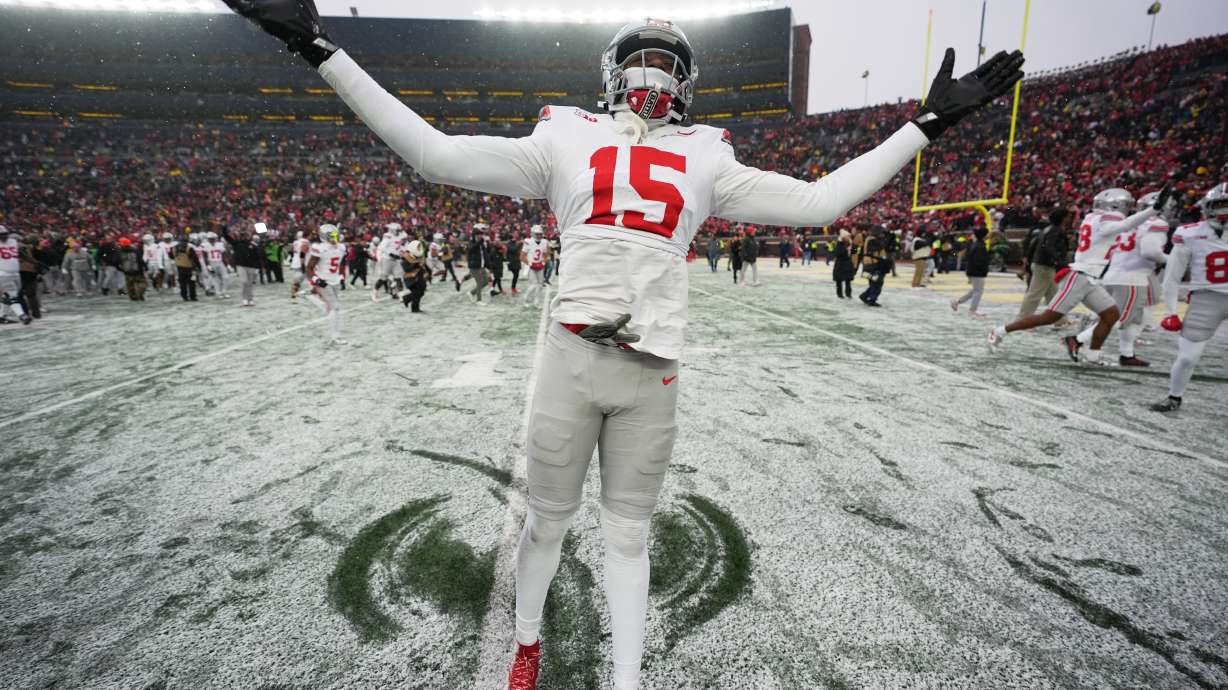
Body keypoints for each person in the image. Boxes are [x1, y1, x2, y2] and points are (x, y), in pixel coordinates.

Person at [225, 4, 1024, 687]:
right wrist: (319, 47)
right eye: (642, 61)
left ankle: (630, 679)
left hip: (653, 366)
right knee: (544, 521)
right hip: (571, 359)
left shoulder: (708, 153)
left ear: (689, 83)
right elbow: (434, 154)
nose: (655, 76)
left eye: (668, 63)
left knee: (629, 533)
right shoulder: (561, 137)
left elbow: (820, 205)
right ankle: (529, 643)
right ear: (610, 72)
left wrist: (925, 125)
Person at [988, 187, 1169, 363]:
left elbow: (1124, 226)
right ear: (1115, 207)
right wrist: (1152, 211)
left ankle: (1092, 355)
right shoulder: (1106, 221)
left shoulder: (1091, 217)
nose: (1127, 210)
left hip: (1090, 278)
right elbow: (1125, 224)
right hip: (1080, 277)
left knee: (1111, 315)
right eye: (1125, 206)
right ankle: (999, 331)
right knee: (1049, 317)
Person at [1066, 190, 1173, 366]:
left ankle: (1126, 353)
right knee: (1118, 319)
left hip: (1112, 273)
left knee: (1132, 318)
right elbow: (1150, 251)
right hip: (1132, 278)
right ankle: (1077, 340)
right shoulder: (1155, 223)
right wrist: (1174, 262)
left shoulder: (1129, 221)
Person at [1151, 183, 1228, 412]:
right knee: (1187, 358)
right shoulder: (1191, 233)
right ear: (1208, 207)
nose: (1225, 209)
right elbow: (1172, 277)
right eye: (1221, 204)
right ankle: (1174, 397)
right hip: (1207, 298)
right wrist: (1170, 312)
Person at [1017, 208, 1072, 318]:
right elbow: (1048, 247)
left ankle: (1060, 320)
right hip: (1045, 266)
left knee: (1053, 295)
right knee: (1035, 294)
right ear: (1063, 218)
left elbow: (1035, 245)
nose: (1070, 218)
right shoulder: (1055, 230)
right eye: (1068, 216)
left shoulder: (1048, 229)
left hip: (1042, 264)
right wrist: (1059, 261)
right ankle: (1022, 319)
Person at [304, 223, 348, 344]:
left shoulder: (341, 247)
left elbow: (341, 264)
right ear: (325, 237)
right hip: (323, 280)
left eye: (336, 235)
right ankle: (335, 337)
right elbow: (309, 268)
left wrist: (342, 276)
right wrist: (316, 280)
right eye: (332, 236)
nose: (335, 238)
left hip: (335, 279)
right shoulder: (320, 248)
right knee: (335, 307)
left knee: (330, 308)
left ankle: (311, 297)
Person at [950, 226, 989, 317]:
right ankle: (972, 310)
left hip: (975, 271)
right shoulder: (980, 246)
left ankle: (957, 302)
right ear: (984, 235)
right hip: (977, 272)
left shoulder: (977, 244)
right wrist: (981, 271)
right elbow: (977, 261)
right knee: (978, 291)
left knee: (974, 291)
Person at [222, 226, 263, 306]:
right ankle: (244, 299)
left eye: (246, 235)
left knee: (250, 283)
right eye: (242, 235)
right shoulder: (236, 244)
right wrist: (224, 230)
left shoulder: (252, 245)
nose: (244, 237)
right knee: (244, 282)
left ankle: (250, 299)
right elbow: (227, 238)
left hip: (251, 266)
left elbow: (257, 256)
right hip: (241, 265)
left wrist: (259, 267)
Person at [0, 226, 31, 324]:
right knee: (13, 296)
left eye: (5, 234)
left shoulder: (13, 241)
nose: (4, 236)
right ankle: (22, 315)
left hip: (15, 272)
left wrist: (35, 263)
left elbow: (21, 254)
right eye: (1, 235)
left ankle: (1, 316)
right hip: (3, 273)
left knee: (8, 296)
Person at [521, 224, 550, 306]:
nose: (539, 235)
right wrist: (529, 263)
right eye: (537, 234)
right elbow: (522, 256)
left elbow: (546, 254)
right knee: (533, 285)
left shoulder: (545, 242)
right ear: (533, 234)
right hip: (530, 266)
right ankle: (525, 299)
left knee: (540, 285)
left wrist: (544, 262)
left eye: (540, 234)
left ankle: (536, 302)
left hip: (540, 265)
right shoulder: (528, 242)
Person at [464, 227, 490, 305]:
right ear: (475, 235)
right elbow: (471, 249)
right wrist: (479, 242)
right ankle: (479, 300)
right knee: (479, 282)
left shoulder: (482, 243)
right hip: (474, 266)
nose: (480, 236)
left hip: (481, 265)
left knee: (485, 282)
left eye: (481, 234)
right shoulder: (471, 242)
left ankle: (472, 293)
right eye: (479, 234)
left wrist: (488, 265)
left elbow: (485, 254)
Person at [117, 236, 148, 301]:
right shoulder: (135, 250)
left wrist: (122, 270)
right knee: (143, 283)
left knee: (130, 287)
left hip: (127, 272)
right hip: (138, 272)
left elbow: (116, 262)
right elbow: (140, 260)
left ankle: (133, 297)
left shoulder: (119, 252)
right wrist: (145, 267)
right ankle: (140, 293)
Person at [171, 237, 201, 302]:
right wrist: (199, 267)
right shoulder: (189, 248)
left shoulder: (174, 248)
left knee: (182, 283)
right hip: (189, 268)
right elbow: (195, 259)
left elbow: (170, 256)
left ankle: (184, 296)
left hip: (179, 267)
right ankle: (193, 297)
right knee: (192, 283)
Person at [202, 231, 229, 298]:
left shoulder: (220, 244)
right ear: (208, 239)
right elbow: (204, 256)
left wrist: (227, 264)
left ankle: (224, 291)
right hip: (211, 262)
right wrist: (208, 266)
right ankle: (218, 292)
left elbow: (224, 255)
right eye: (210, 238)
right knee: (215, 278)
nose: (212, 239)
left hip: (220, 262)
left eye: (213, 238)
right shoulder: (205, 245)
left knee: (225, 277)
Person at [832, 229, 855, 299]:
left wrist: (855, 249)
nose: (849, 237)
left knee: (848, 280)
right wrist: (846, 249)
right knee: (839, 280)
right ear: (843, 237)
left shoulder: (850, 244)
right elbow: (837, 253)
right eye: (847, 236)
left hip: (848, 264)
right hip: (840, 264)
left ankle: (848, 294)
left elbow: (855, 252)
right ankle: (840, 294)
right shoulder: (839, 244)